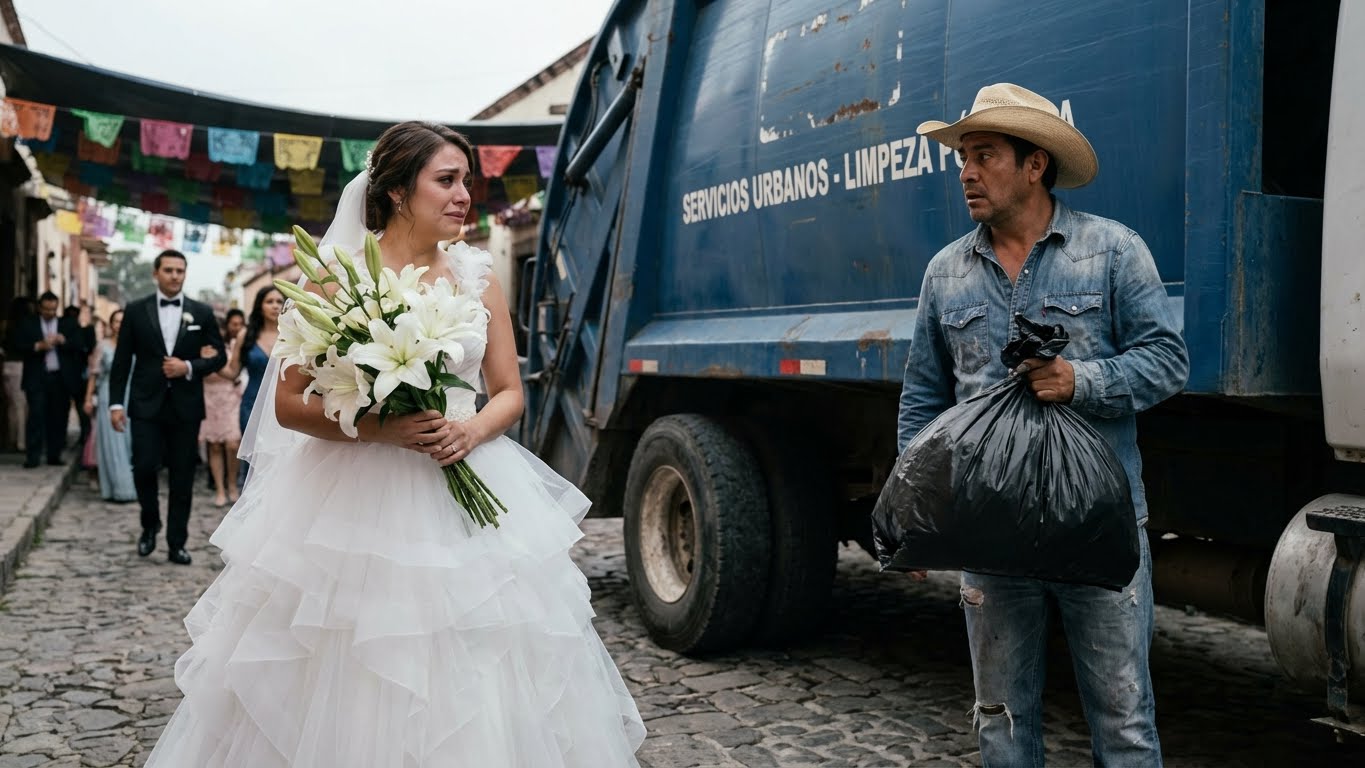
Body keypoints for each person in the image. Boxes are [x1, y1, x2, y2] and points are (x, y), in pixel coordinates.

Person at [144, 121, 644, 766]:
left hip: (469, 480)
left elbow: (508, 393)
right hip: (352, 498)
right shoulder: (335, 280)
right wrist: (382, 427)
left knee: (479, 652)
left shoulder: (477, 276)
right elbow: (290, 405)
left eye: (467, 181)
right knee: (353, 653)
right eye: (447, 180)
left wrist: (470, 430)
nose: (464, 195)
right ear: (399, 191)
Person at [899, 83, 1189, 766]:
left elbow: (1167, 362)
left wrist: (1078, 381)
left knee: (1123, 722)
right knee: (999, 720)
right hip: (989, 535)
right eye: (963, 158)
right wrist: (916, 513)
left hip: (1098, 529)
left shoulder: (1111, 252)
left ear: (1035, 164)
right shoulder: (946, 273)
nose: (967, 172)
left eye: (985, 155)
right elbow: (923, 399)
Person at [108, 250, 227, 565]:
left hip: (185, 406)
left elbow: (219, 356)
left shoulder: (201, 312)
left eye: (180, 271)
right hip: (145, 402)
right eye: (169, 270)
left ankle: (177, 543)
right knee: (144, 466)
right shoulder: (136, 310)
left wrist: (188, 366)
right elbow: (122, 361)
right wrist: (116, 403)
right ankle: (150, 523)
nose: (175, 276)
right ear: (156, 273)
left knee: (182, 476)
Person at [15, 292, 86, 468]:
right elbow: (16, 345)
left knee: (58, 417)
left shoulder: (68, 324)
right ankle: (33, 457)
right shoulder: (28, 324)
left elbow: (81, 344)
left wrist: (63, 341)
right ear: (40, 308)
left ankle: (54, 454)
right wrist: (37, 346)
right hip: (37, 377)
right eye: (47, 309)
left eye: (54, 309)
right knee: (36, 415)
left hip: (60, 378)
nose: (50, 313)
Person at [224, 286, 281, 488]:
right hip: (252, 405)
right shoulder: (246, 335)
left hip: (283, 405)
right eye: (269, 301)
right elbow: (232, 371)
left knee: (281, 460)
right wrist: (210, 362)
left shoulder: (291, 333)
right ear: (260, 306)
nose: (275, 306)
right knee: (255, 461)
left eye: (279, 301)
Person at [84, 310, 136, 502]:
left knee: (129, 441)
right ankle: (121, 488)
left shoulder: (136, 345)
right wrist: (88, 399)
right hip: (108, 395)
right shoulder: (103, 346)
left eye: (123, 321)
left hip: (131, 395)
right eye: (116, 321)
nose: (119, 325)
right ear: (111, 324)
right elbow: (94, 374)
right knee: (113, 442)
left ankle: (132, 482)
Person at [199, 311, 244, 507]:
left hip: (230, 398)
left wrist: (214, 362)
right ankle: (219, 489)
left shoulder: (231, 346)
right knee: (214, 445)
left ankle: (232, 485)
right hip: (208, 398)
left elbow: (235, 372)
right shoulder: (199, 349)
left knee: (233, 443)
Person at [2, 296, 34, 453]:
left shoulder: (7, 325)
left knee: (12, 405)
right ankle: (21, 442)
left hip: (7, 365)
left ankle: (12, 439)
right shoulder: (25, 326)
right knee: (21, 405)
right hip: (19, 366)